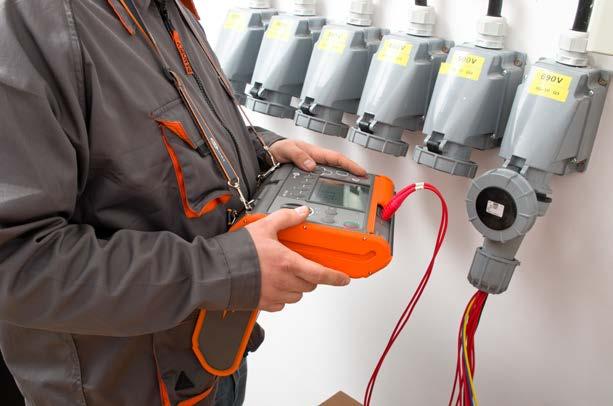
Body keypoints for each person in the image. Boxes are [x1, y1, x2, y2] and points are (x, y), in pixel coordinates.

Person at [0, 0, 366, 405]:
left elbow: (162, 132)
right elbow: (17, 263)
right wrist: (228, 271)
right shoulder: (27, 21)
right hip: (123, 388)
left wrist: (262, 150)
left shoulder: (165, 7)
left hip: (214, 356)